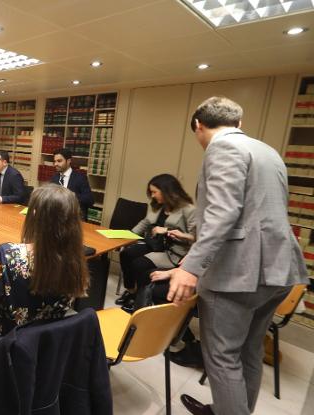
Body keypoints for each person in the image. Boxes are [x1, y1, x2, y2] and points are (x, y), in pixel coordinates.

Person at [166, 97, 308, 415]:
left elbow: (222, 214)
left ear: (198, 126)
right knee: (249, 352)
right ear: (239, 124)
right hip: (278, 270)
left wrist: (190, 268)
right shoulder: (268, 151)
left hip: (238, 274)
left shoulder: (222, 149)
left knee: (222, 357)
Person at [0, 184, 90, 379]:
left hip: (8, 357)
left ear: (35, 215)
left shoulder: (7, 255)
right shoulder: (76, 259)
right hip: (50, 354)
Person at [115, 174, 195, 313]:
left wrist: (168, 231)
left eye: (154, 192)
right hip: (155, 244)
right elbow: (145, 223)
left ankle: (140, 301)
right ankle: (131, 291)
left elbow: (197, 238)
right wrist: (126, 237)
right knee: (127, 253)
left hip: (173, 251)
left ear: (167, 191)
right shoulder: (159, 206)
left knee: (139, 264)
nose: (152, 196)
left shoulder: (188, 210)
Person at [50, 147, 93, 220]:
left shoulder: (80, 178)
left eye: (59, 161)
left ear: (68, 161)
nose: (56, 164)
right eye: (55, 161)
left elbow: (89, 200)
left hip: (74, 218)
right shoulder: (55, 178)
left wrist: (70, 195)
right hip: (56, 217)